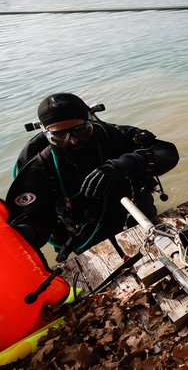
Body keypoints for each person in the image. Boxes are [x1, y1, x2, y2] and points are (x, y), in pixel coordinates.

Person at [6, 93, 179, 259]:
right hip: (85, 237)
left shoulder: (114, 136)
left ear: (90, 121)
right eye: (59, 135)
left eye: (81, 131)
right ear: (46, 133)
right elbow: (32, 218)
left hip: (138, 216)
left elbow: (168, 153)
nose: (73, 140)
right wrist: (25, 234)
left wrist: (124, 164)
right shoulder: (39, 165)